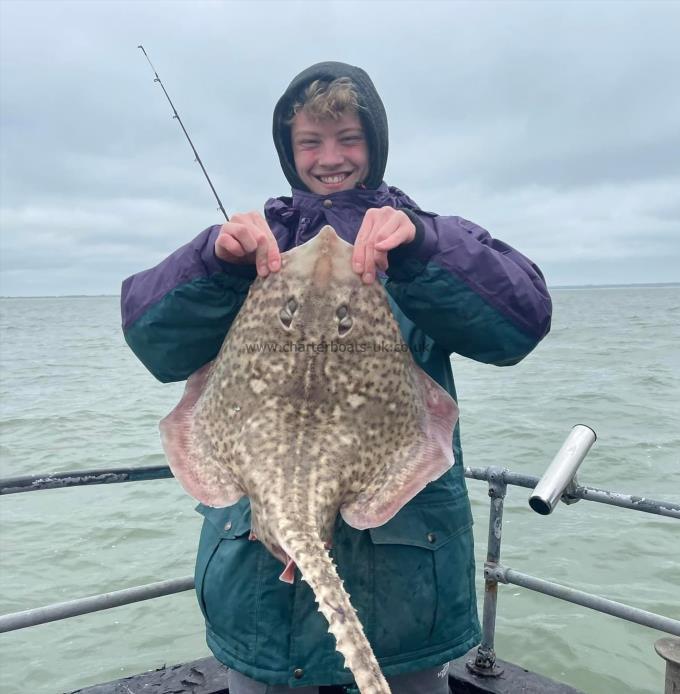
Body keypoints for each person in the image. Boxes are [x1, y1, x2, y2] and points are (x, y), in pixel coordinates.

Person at [121, 61, 552, 694]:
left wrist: (424, 249)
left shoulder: (418, 238)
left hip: (402, 590)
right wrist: (214, 262)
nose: (331, 157)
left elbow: (521, 323)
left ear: (375, 144)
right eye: (311, 142)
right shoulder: (252, 244)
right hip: (255, 582)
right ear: (288, 150)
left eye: (349, 139)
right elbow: (153, 339)